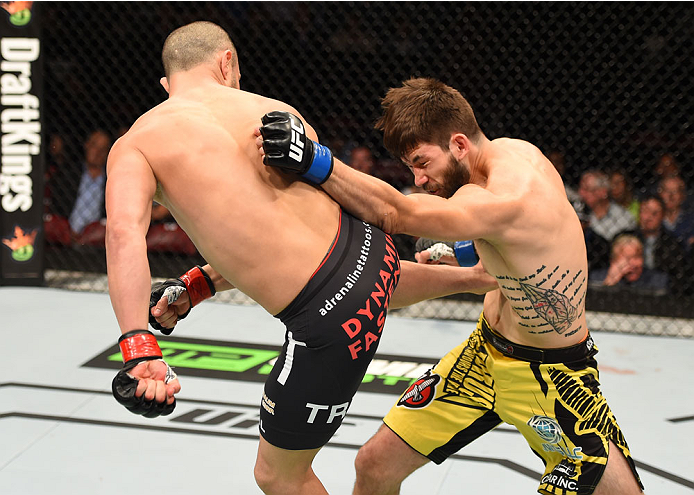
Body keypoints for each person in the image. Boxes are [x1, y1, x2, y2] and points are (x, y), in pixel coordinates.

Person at [106, 22, 496, 495]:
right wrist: (200, 286)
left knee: (278, 476)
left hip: (329, 319)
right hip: (373, 254)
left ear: (167, 85)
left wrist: (138, 346)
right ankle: (475, 277)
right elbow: (310, 246)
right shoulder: (275, 112)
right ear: (227, 63)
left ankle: (474, 278)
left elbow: (126, 234)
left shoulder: (137, 143)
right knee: (356, 280)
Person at [257, 78, 644, 494]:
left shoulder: (507, 196)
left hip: (553, 375)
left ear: (458, 144)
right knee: (374, 465)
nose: (420, 179)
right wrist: (462, 251)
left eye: (423, 163)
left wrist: (316, 161)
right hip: (484, 354)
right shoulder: (513, 152)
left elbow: (394, 211)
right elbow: (530, 244)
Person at [623, 194, 690, 296]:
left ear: (662, 216)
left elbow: (679, 279)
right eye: (645, 211)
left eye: (654, 213)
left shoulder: (673, 245)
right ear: (639, 213)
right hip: (628, 289)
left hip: (661, 292)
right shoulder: (625, 238)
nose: (648, 217)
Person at [589, 234, 669, 296]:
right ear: (613, 261)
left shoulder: (657, 280)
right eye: (627, 259)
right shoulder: (597, 278)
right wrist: (609, 282)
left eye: (637, 257)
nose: (633, 264)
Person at [577, 170, 637, 242]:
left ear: (603, 192)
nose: (581, 193)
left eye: (587, 189)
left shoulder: (623, 218)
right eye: (580, 188)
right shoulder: (579, 212)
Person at [658, 175, 694, 251]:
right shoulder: (655, 220)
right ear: (660, 193)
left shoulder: (691, 221)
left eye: (675, 191)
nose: (671, 196)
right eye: (667, 190)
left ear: (682, 195)